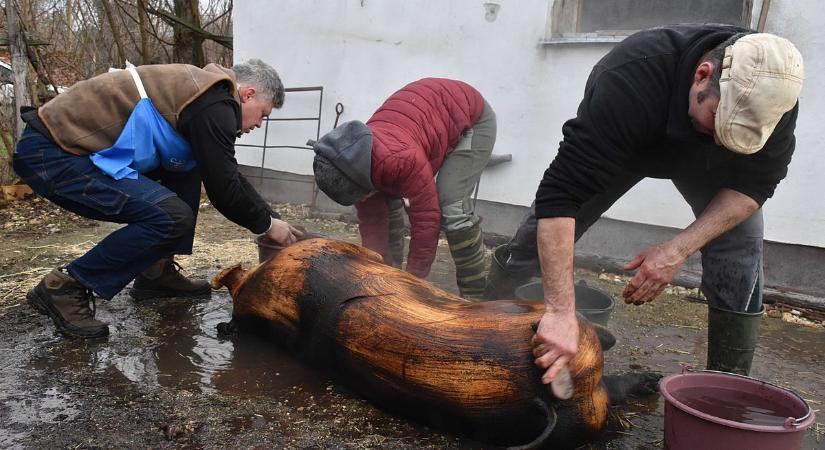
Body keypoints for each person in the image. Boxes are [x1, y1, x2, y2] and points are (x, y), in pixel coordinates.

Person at [483, 25, 803, 380]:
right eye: (718, 121)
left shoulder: (773, 99)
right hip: (630, 145)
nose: (721, 139)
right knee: (532, 237)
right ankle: (484, 328)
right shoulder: (633, 75)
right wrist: (560, 311)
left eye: (737, 135)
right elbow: (562, 196)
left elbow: (753, 189)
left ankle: (724, 383)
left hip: (712, 169)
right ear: (702, 76)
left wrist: (676, 251)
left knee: (742, 250)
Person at [13, 59, 303, 339]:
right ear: (248, 94)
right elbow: (224, 189)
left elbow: (224, 172)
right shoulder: (217, 102)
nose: (259, 124)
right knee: (171, 216)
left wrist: (272, 218)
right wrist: (265, 225)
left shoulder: (207, 94)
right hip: (52, 154)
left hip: (64, 150)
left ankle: (156, 272)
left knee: (188, 165)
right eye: (263, 114)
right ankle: (65, 285)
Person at [311, 78, 497, 299]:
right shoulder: (352, 160)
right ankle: (392, 277)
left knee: (451, 204)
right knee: (385, 201)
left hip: (471, 117)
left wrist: (413, 282)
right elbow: (373, 223)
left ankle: (475, 297)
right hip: (426, 117)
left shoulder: (400, 160)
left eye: (364, 194)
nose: (366, 197)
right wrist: (378, 276)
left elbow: (426, 220)